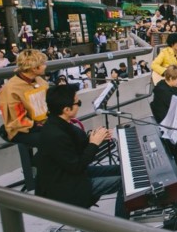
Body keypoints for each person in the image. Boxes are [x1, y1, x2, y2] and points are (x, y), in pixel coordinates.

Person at [35, 84, 126, 218]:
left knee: (123, 170)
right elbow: (77, 166)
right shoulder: (55, 135)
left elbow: (76, 145)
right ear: (66, 109)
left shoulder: (59, 123)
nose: (79, 105)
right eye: (78, 103)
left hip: (71, 174)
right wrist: (94, 144)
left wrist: (95, 137)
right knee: (124, 183)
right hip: (65, 185)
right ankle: (122, 228)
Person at [0, 49, 49, 147]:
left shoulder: (38, 80)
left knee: (72, 132)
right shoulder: (11, 89)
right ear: (34, 68)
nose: (46, 65)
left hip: (42, 123)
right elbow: (18, 121)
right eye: (43, 63)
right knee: (56, 138)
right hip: (21, 129)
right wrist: (46, 126)